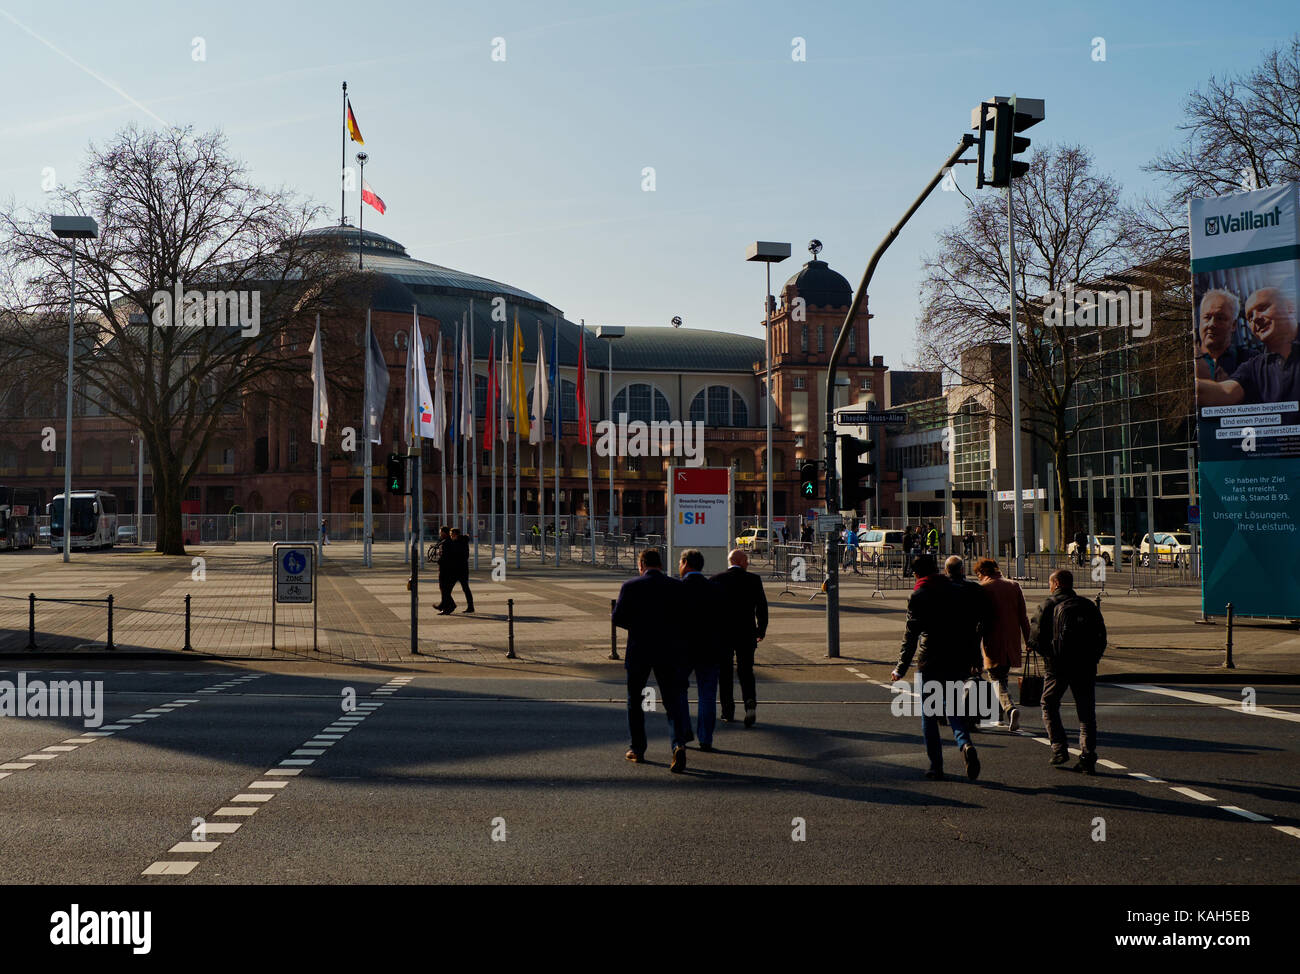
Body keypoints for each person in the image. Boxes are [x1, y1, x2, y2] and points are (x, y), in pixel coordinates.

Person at [892, 553, 983, 781]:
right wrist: (975, 659)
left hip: (931, 659)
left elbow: (911, 636)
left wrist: (900, 668)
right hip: (957, 657)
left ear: (916, 574)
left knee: (929, 714)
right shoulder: (958, 591)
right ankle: (965, 744)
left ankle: (936, 766)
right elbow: (971, 629)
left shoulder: (919, 595)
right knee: (953, 708)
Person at [613, 548, 692, 772]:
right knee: (672, 701)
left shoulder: (630, 586)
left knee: (635, 701)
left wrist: (637, 626)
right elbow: (686, 618)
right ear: (660, 564)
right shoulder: (677, 586)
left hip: (639, 650)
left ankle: (637, 749)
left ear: (641, 565)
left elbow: (618, 617)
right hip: (668, 651)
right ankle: (678, 744)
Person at [1028, 568, 1107, 774]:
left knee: (1049, 704)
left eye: (1050, 583)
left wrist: (1049, 654)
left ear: (1056, 584)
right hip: (1086, 666)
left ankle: (1059, 748)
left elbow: (1034, 638)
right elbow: (1101, 636)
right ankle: (1088, 756)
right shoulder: (1087, 605)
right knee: (1086, 712)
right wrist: (1094, 658)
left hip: (1058, 666)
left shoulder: (1048, 605)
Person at [1196, 286, 1299, 407]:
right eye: (1250, 317)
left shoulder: (1249, 358)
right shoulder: (1255, 366)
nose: (1255, 318)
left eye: (1262, 308)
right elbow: (1226, 393)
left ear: (1289, 306)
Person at [710, 547, 768, 727]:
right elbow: (762, 608)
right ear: (740, 562)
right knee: (746, 671)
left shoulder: (716, 580)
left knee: (725, 673)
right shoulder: (754, 580)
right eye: (746, 560)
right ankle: (749, 701)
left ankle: (728, 711)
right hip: (746, 633)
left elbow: (710, 611)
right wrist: (761, 630)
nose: (748, 562)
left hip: (723, 634)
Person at [973, 557, 1029, 732]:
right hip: (1012, 638)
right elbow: (1023, 617)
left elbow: (978, 618)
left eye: (978, 575)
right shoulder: (1013, 586)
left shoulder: (983, 588)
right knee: (1001, 675)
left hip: (992, 639)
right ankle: (998, 716)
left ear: (982, 573)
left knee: (996, 677)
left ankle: (1009, 709)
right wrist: (1029, 640)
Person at [678, 549, 724, 751]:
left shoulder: (677, 589)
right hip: (710, 649)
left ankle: (683, 733)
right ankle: (706, 738)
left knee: (679, 692)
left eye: (680, 562)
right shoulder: (715, 589)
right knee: (707, 695)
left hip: (684, 650)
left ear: (686, 563)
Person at [944, 555, 993, 730]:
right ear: (963, 570)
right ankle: (971, 718)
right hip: (969, 639)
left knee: (949, 679)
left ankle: (947, 713)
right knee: (971, 676)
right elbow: (985, 614)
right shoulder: (974, 589)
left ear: (946, 570)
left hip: (946, 640)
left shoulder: (941, 588)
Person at [1195, 288, 1255, 381]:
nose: (1211, 324)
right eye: (1207, 317)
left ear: (1233, 325)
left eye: (1220, 318)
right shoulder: (1186, 359)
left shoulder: (1250, 361)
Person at [446, 526, 475, 615]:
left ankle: (469, 607)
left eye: (452, 535)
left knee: (462, 588)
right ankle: (469, 607)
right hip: (459, 569)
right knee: (463, 588)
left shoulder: (461, 543)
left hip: (460, 569)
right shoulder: (458, 542)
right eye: (450, 535)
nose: (451, 536)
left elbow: (462, 556)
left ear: (456, 535)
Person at [434, 525, 456, 614]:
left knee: (444, 589)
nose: (440, 534)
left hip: (446, 569)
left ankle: (448, 607)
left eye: (441, 532)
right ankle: (445, 605)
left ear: (444, 533)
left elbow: (446, 556)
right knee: (444, 589)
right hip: (446, 568)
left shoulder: (447, 542)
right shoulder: (445, 541)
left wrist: (439, 561)